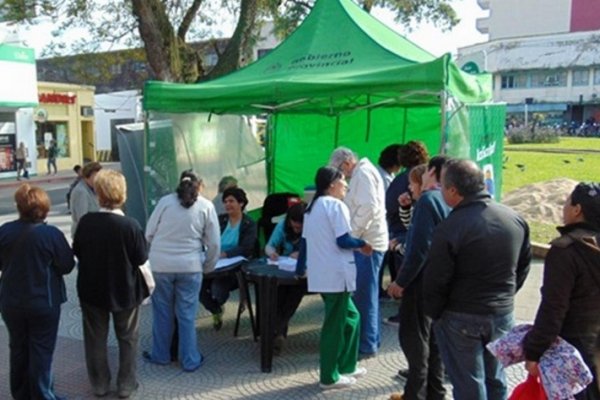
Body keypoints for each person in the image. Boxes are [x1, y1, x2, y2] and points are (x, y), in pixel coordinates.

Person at [423, 159, 532, 400]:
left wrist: (435, 312)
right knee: (495, 378)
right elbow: (524, 266)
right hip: (501, 313)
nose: (440, 192)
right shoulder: (513, 218)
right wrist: (506, 295)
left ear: (453, 190)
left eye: (441, 187)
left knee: (469, 382)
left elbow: (436, 279)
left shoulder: (450, 227)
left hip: (460, 316)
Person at [73, 169, 149, 398]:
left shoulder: (86, 222)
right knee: (127, 338)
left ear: (98, 194)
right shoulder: (130, 226)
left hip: (92, 288)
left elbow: (77, 252)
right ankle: (126, 384)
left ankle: (99, 384)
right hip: (125, 290)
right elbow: (141, 259)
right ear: (123, 194)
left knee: (95, 338)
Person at [523, 182, 600, 400]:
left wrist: (534, 351)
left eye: (567, 201)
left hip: (574, 352)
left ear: (577, 210)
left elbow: (553, 308)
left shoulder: (566, 251)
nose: (563, 206)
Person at [298, 166, 372, 390]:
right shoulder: (336, 206)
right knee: (335, 326)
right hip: (337, 275)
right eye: (343, 182)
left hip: (323, 275)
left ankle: (347, 366)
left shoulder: (311, 209)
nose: (346, 186)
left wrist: (300, 268)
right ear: (331, 184)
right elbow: (343, 240)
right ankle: (329, 377)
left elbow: (304, 244)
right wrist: (362, 244)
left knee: (352, 317)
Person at [0, 184, 75, 400]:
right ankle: (42, 394)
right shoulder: (50, 234)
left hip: (11, 302)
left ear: (19, 206)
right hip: (44, 302)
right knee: (42, 350)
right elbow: (67, 265)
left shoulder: (5, 231)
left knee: (18, 348)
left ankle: (21, 393)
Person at [387, 155, 451, 400]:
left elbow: (419, 248)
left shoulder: (428, 200)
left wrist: (400, 282)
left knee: (415, 343)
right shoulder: (448, 200)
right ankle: (435, 393)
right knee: (434, 344)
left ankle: (414, 394)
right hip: (439, 284)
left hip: (420, 284)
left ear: (432, 172)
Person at [143, 170, 220, 372]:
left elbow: (149, 233)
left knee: (162, 314)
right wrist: (207, 267)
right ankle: (190, 360)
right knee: (186, 316)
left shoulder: (164, 202)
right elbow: (214, 243)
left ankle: (160, 355)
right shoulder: (206, 206)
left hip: (161, 266)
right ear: (199, 185)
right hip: (190, 266)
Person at [329, 147, 388, 358]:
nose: (341, 176)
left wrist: (351, 236)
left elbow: (368, 209)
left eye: (339, 170)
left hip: (367, 244)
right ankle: (371, 339)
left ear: (346, 163)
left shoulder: (362, 174)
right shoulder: (365, 171)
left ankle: (366, 344)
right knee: (367, 293)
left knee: (364, 295)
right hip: (369, 241)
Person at [200, 187, 257, 330]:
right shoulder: (220, 220)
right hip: (213, 262)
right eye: (225, 201)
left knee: (217, 289)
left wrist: (226, 254)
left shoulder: (249, 224)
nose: (227, 205)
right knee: (197, 284)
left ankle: (217, 305)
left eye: (231, 201)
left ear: (241, 203)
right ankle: (216, 310)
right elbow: (205, 237)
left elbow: (247, 248)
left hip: (233, 267)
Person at [382, 141, 429, 309]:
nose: (410, 187)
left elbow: (389, 206)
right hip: (404, 235)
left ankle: (403, 309)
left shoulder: (399, 181)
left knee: (404, 275)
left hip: (399, 234)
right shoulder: (426, 188)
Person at [265, 202, 308, 352]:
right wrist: (272, 253)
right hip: (285, 268)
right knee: (279, 293)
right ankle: (279, 332)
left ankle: (276, 330)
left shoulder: (314, 228)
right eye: (294, 226)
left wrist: (303, 255)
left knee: (294, 293)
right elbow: (269, 245)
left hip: (305, 274)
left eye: (299, 227)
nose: (296, 230)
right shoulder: (282, 226)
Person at [70, 162, 102, 236]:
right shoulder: (81, 192)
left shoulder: (93, 189)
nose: (99, 180)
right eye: (96, 177)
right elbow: (82, 218)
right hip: (85, 234)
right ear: (87, 177)